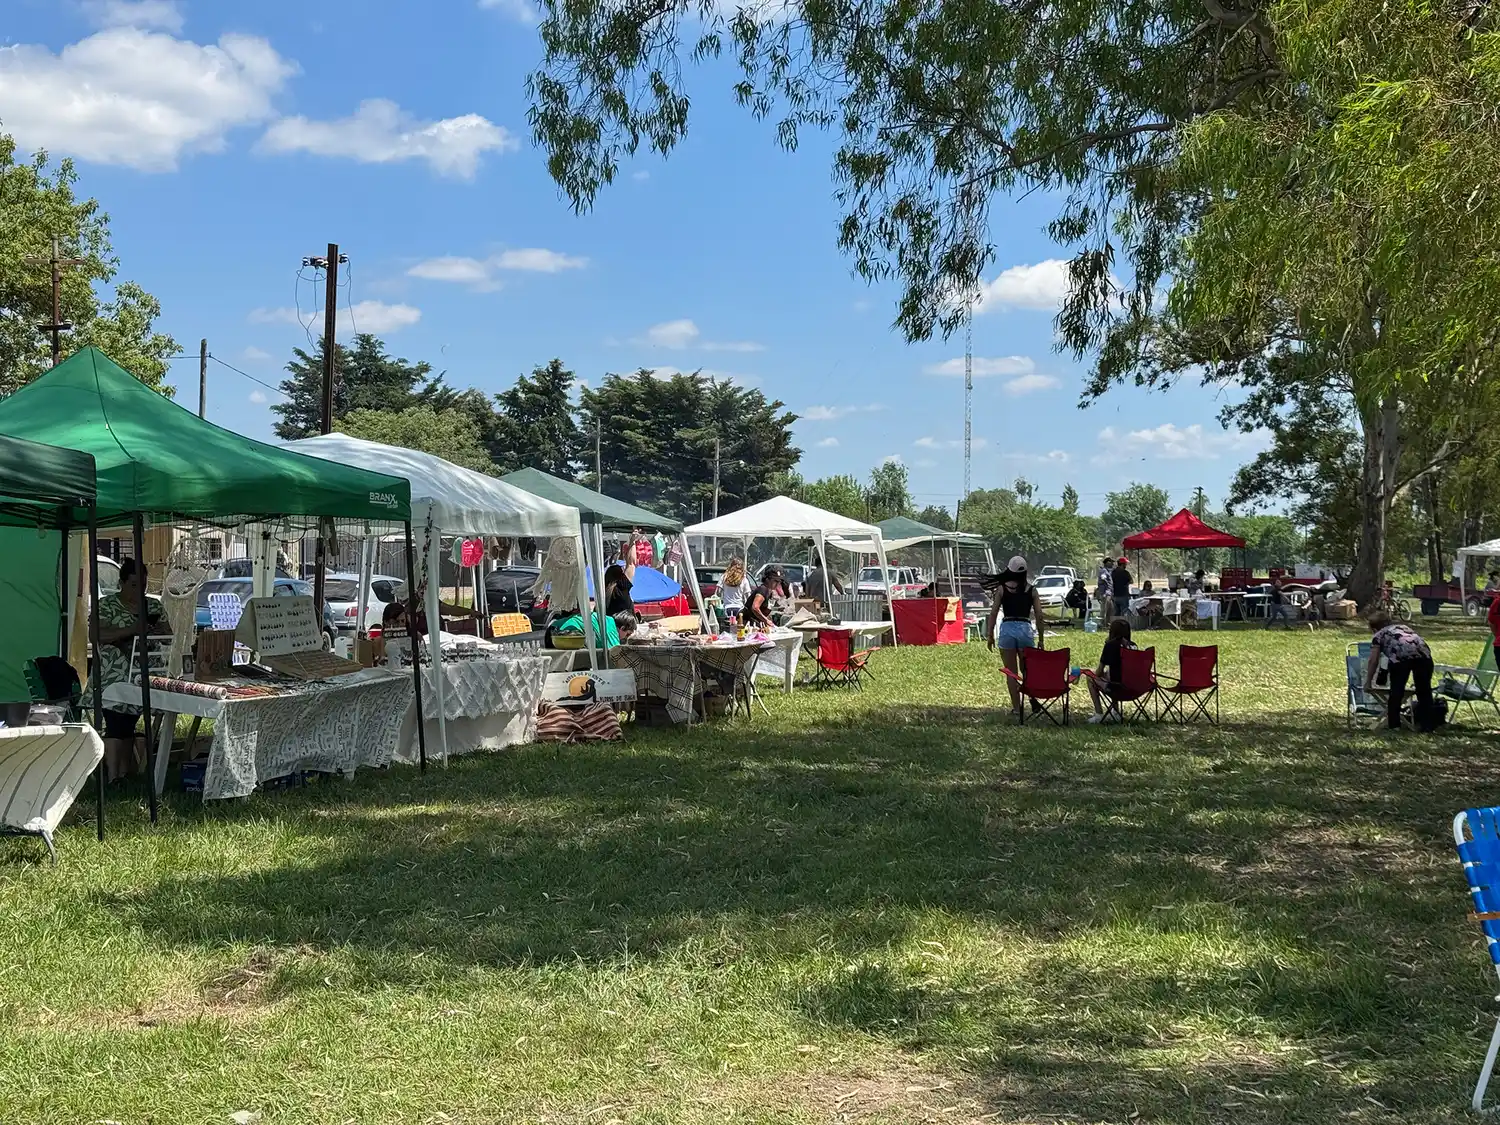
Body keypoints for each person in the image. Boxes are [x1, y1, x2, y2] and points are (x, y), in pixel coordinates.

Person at [88, 558, 158, 782]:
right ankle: (112, 776)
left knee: (129, 721)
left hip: (144, 672)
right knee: (116, 718)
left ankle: (123, 774)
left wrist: (154, 630)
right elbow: (96, 635)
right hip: (113, 673)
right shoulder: (106, 605)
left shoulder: (153, 606)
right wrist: (131, 630)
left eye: (143, 585)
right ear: (122, 583)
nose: (139, 590)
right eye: (134, 585)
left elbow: (168, 633)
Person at [983, 555, 1046, 719]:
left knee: (1011, 673)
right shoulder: (1032, 590)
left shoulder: (1002, 589)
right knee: (1027, 670)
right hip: (1025, 629)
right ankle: (1031, 698)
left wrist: (990, 635)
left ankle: (1017, 709)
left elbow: (993, 613)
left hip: (1007, 629)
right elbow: (1039, 615)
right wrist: (1041, 638)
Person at [1365, 610, 1436, 731]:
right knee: (1424, 691)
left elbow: (1373, 660)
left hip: (1401, 657)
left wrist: (1368, 681)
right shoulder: (1404, 627)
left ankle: (1394, 725)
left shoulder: (1378, 635)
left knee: (1396, 691)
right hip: (1424, 656)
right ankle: (1428, 726)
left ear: (1374, 629)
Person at [1086, 617, 1136, 722]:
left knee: (1090, 678)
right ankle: (1115, 712)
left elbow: (1099, 672)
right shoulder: (1133, 646)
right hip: (1134, 687)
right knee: (1112, 674)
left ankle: (1099, 713)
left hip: (1117, 688)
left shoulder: (1110, 646)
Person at [720, 557, 753, 623]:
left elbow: (717, 592)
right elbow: (748, 596)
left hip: (727, 608)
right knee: (739, 627)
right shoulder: (744, 579)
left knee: (728, 627)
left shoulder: (724, 577)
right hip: (739, 608)